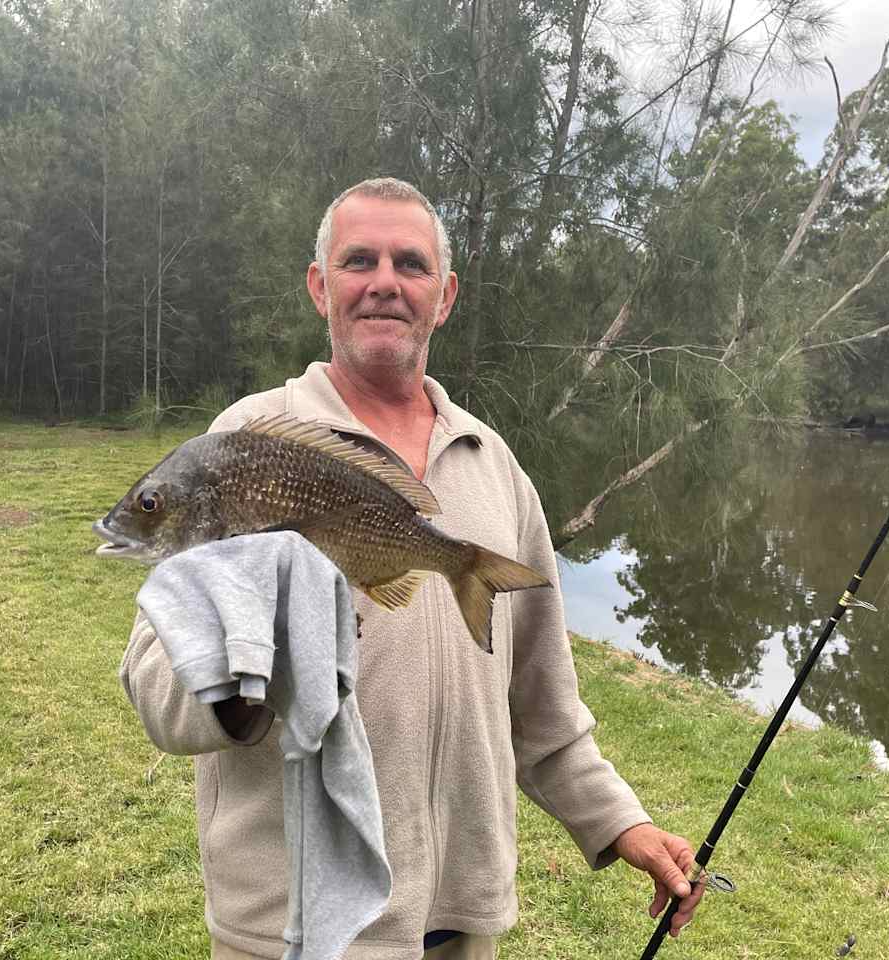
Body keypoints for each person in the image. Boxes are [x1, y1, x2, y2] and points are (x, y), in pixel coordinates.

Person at [119, 177, 704, 959]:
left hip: (463, 920)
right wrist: (255, 653)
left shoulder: (495, 468)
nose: (385, 282)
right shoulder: (244, 445)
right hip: (299, 932)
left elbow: (543, 705)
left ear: (446, 294)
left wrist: (620, 822)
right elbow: (156, 689)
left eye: (411, 264)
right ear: (320, 287)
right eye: (359, 260)